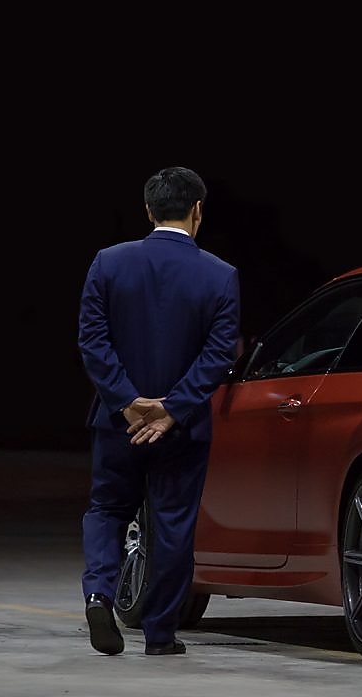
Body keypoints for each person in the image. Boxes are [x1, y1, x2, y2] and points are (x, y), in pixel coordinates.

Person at [77, 166, 240, 656]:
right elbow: (219, 353)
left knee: (107, 510)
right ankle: (160, 635)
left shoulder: (108, 262)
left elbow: (92, 340)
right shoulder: (220, 274)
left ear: (149, 210)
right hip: (182, 430)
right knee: (172, 524)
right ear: (197, 211)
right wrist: (173, 409)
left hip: (117, 423)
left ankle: (98, 594)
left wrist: (127, 401)